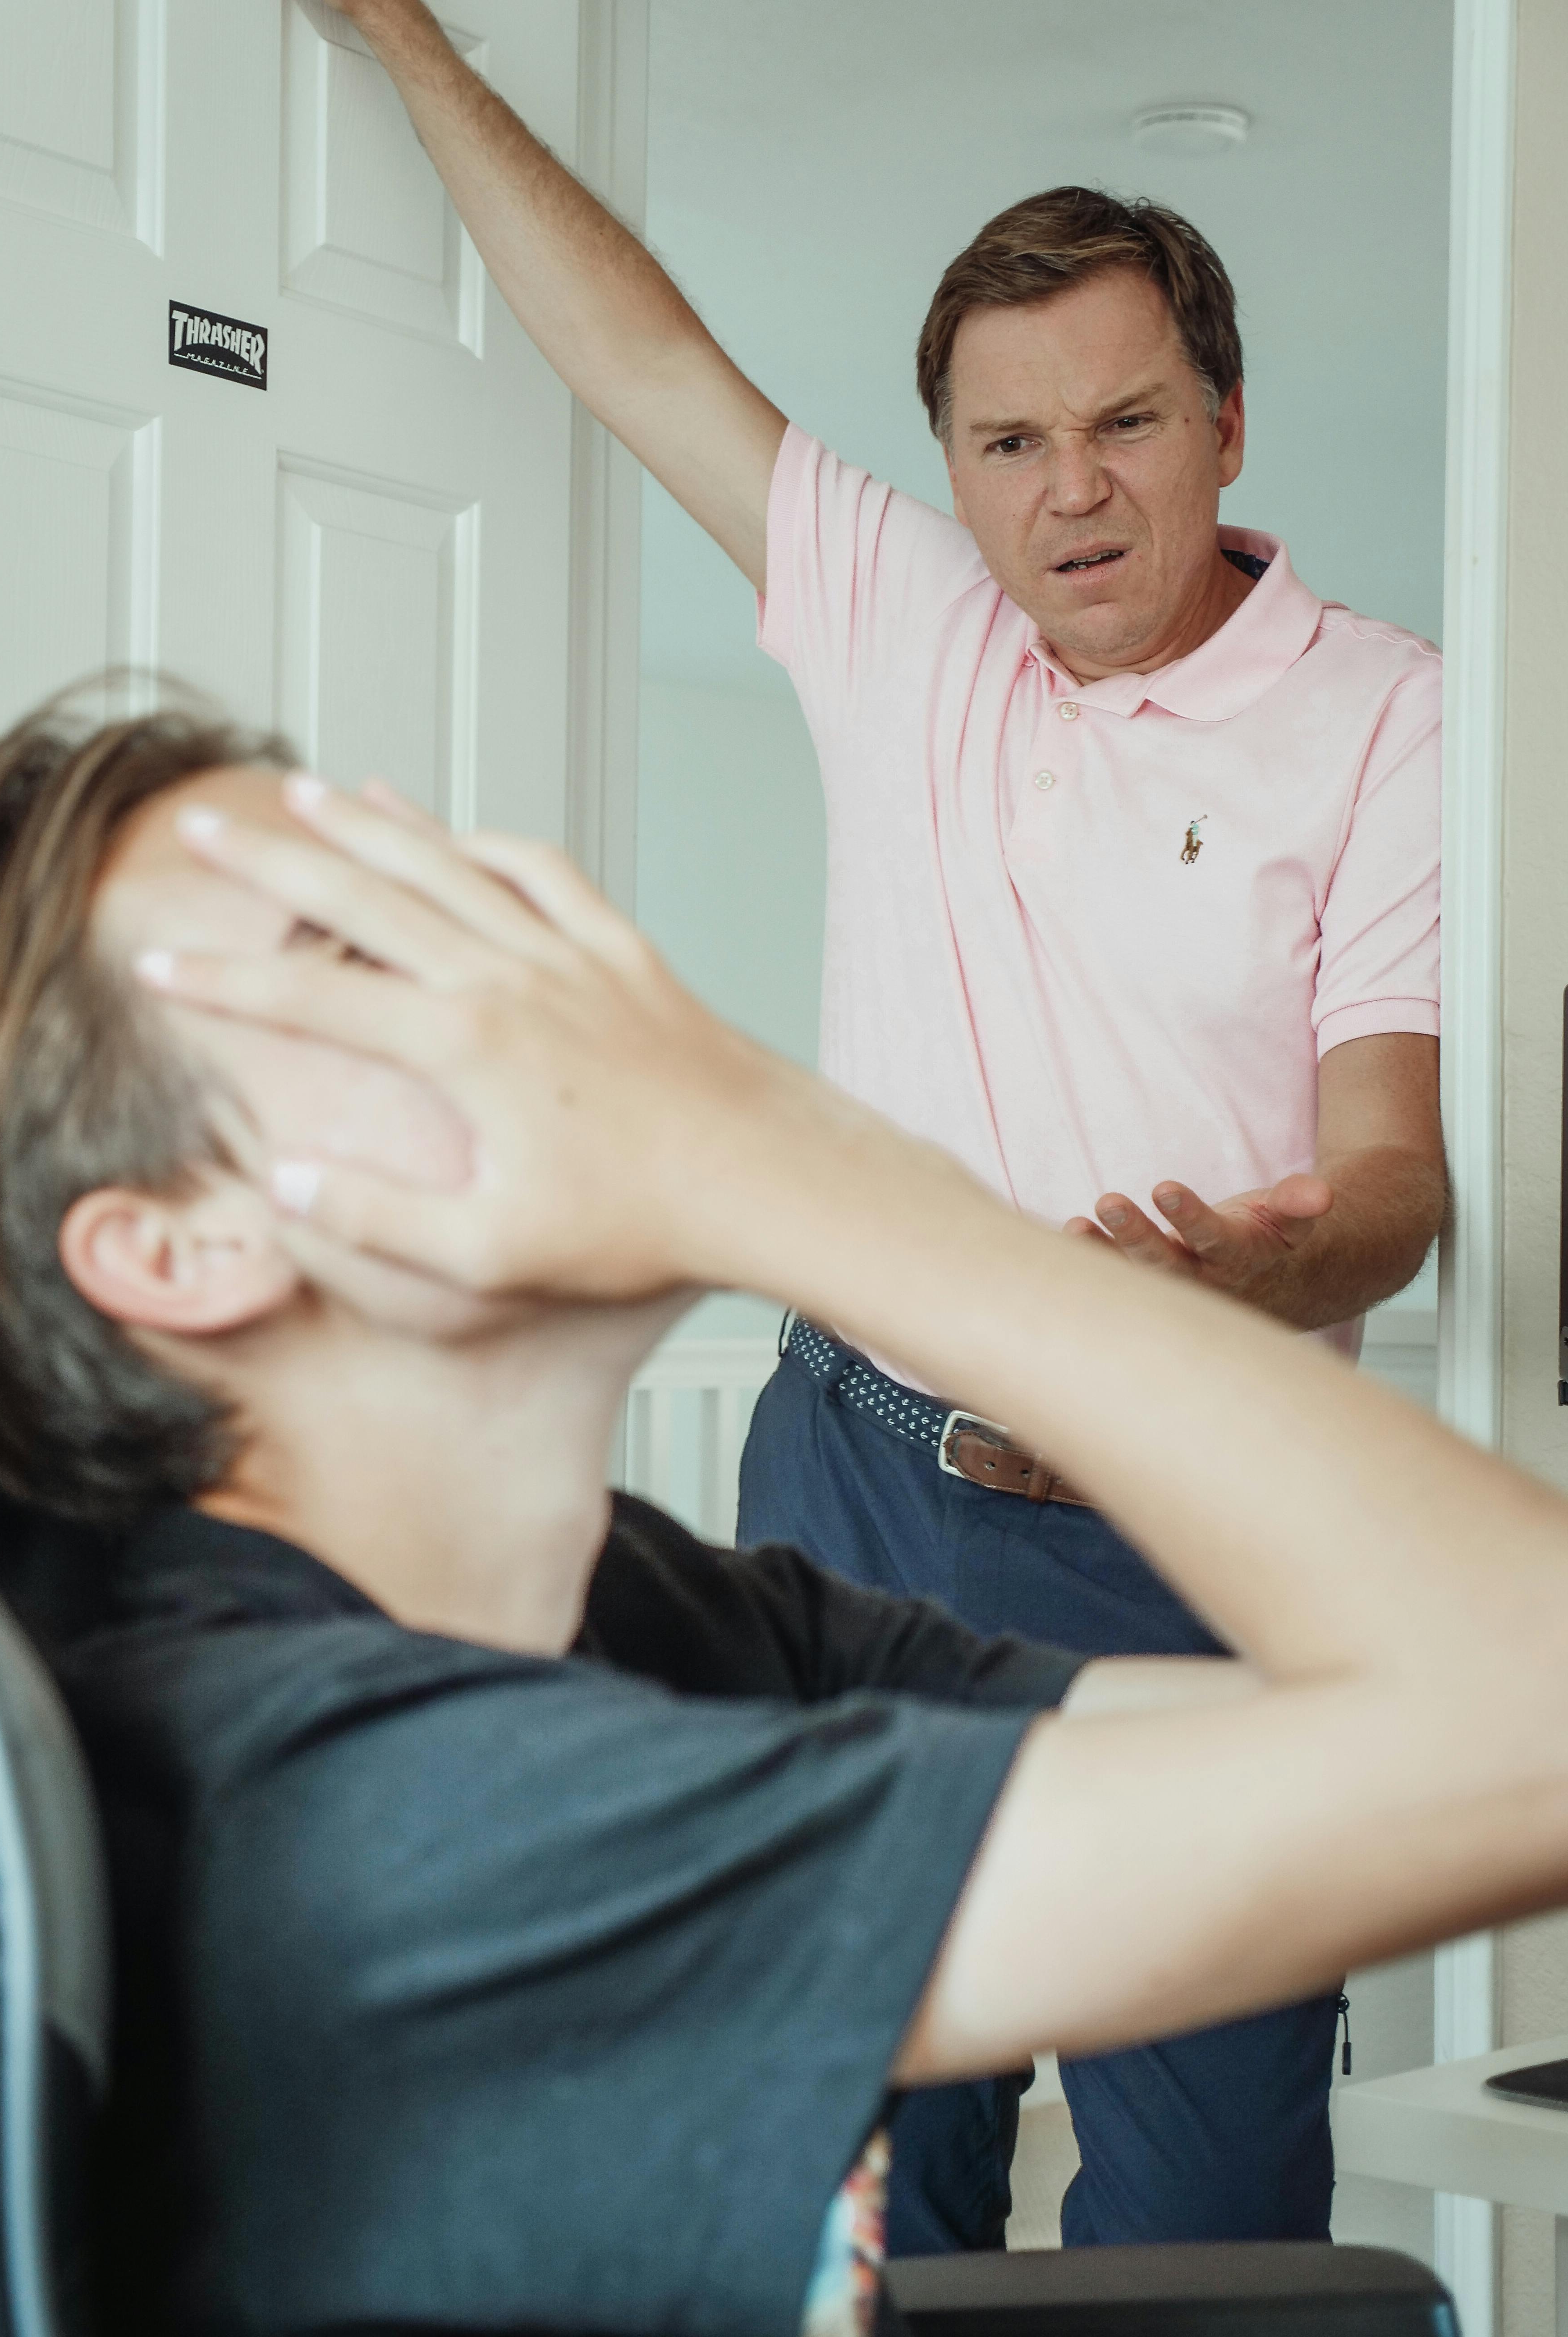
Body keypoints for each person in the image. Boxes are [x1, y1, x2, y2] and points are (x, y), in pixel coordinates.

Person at [0, 707, 1567, 2337]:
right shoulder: (374, 1823)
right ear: (177, 1253)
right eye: (357, 959)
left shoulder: (607, 1605)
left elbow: (1438, 1709)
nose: (523, 966)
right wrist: (785, 1170)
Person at [321, 0, 1447, 2250]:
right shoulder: (904, 617)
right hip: (846, 1486)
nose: (1072, 487)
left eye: (1126, 421)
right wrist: (405, 32)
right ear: (949, 470)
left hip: (1189, 1539)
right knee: (866, 2169)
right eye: (1009, 440)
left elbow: (1397, 1170)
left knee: (1205, 2231)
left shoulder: (1387, 713)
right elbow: (636, 351)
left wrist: (1254, 1274)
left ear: (1225, 422)